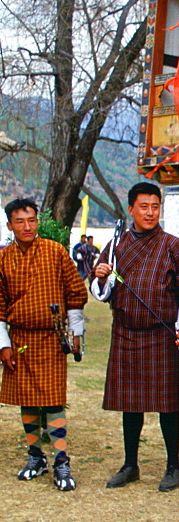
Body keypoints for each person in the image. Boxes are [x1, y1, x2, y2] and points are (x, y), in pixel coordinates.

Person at [92, 182, 179, 492]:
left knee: (167, 405)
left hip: (160, 335)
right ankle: (130, 464)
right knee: (130, 405)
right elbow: (102, 292)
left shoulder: (173, 246)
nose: (150, 212)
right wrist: (101, 278)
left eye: (155, 206)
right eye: (144, 206)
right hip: (125, 333)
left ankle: (173, 466)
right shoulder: (115, 245)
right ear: (131, 209)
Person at [0, 197, 88, 491]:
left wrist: (76, 334)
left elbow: (75, 292)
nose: (27, 227)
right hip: (20, 337)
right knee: (27, 399)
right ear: (10, 225)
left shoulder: (55, 251)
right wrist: (4, 344)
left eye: (31, 220)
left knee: (52, 400)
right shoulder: (2, 259)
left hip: (52, 337)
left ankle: (61, 460)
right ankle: (35, 456)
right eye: (20, 221)